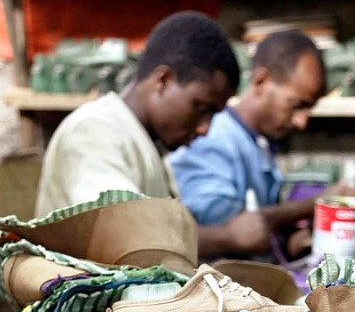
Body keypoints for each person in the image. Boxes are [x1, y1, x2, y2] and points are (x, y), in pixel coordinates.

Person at [168, 30, 355, 261]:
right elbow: (227, 229)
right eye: (297, 105)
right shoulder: (214, 138)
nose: (302, 122)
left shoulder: (257, 141)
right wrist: (319, 202)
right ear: (261, 81)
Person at [34, 11, 239, 217]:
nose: (205, 129)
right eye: (202, 108)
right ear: (164, 81)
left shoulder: (146, 144)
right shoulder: (94, 132)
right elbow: (124, 232)